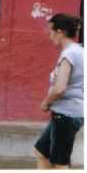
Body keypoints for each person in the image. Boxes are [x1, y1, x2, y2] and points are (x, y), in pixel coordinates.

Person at [34, 13, 83, 169]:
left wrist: (45, 103)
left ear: (60, 32)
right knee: (41, 152)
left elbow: (60, 88)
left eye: (51, 32)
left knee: (60, 165)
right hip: (68, 114)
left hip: (67, 115)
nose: (50, 37)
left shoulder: (69, 54)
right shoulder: (79, 51)